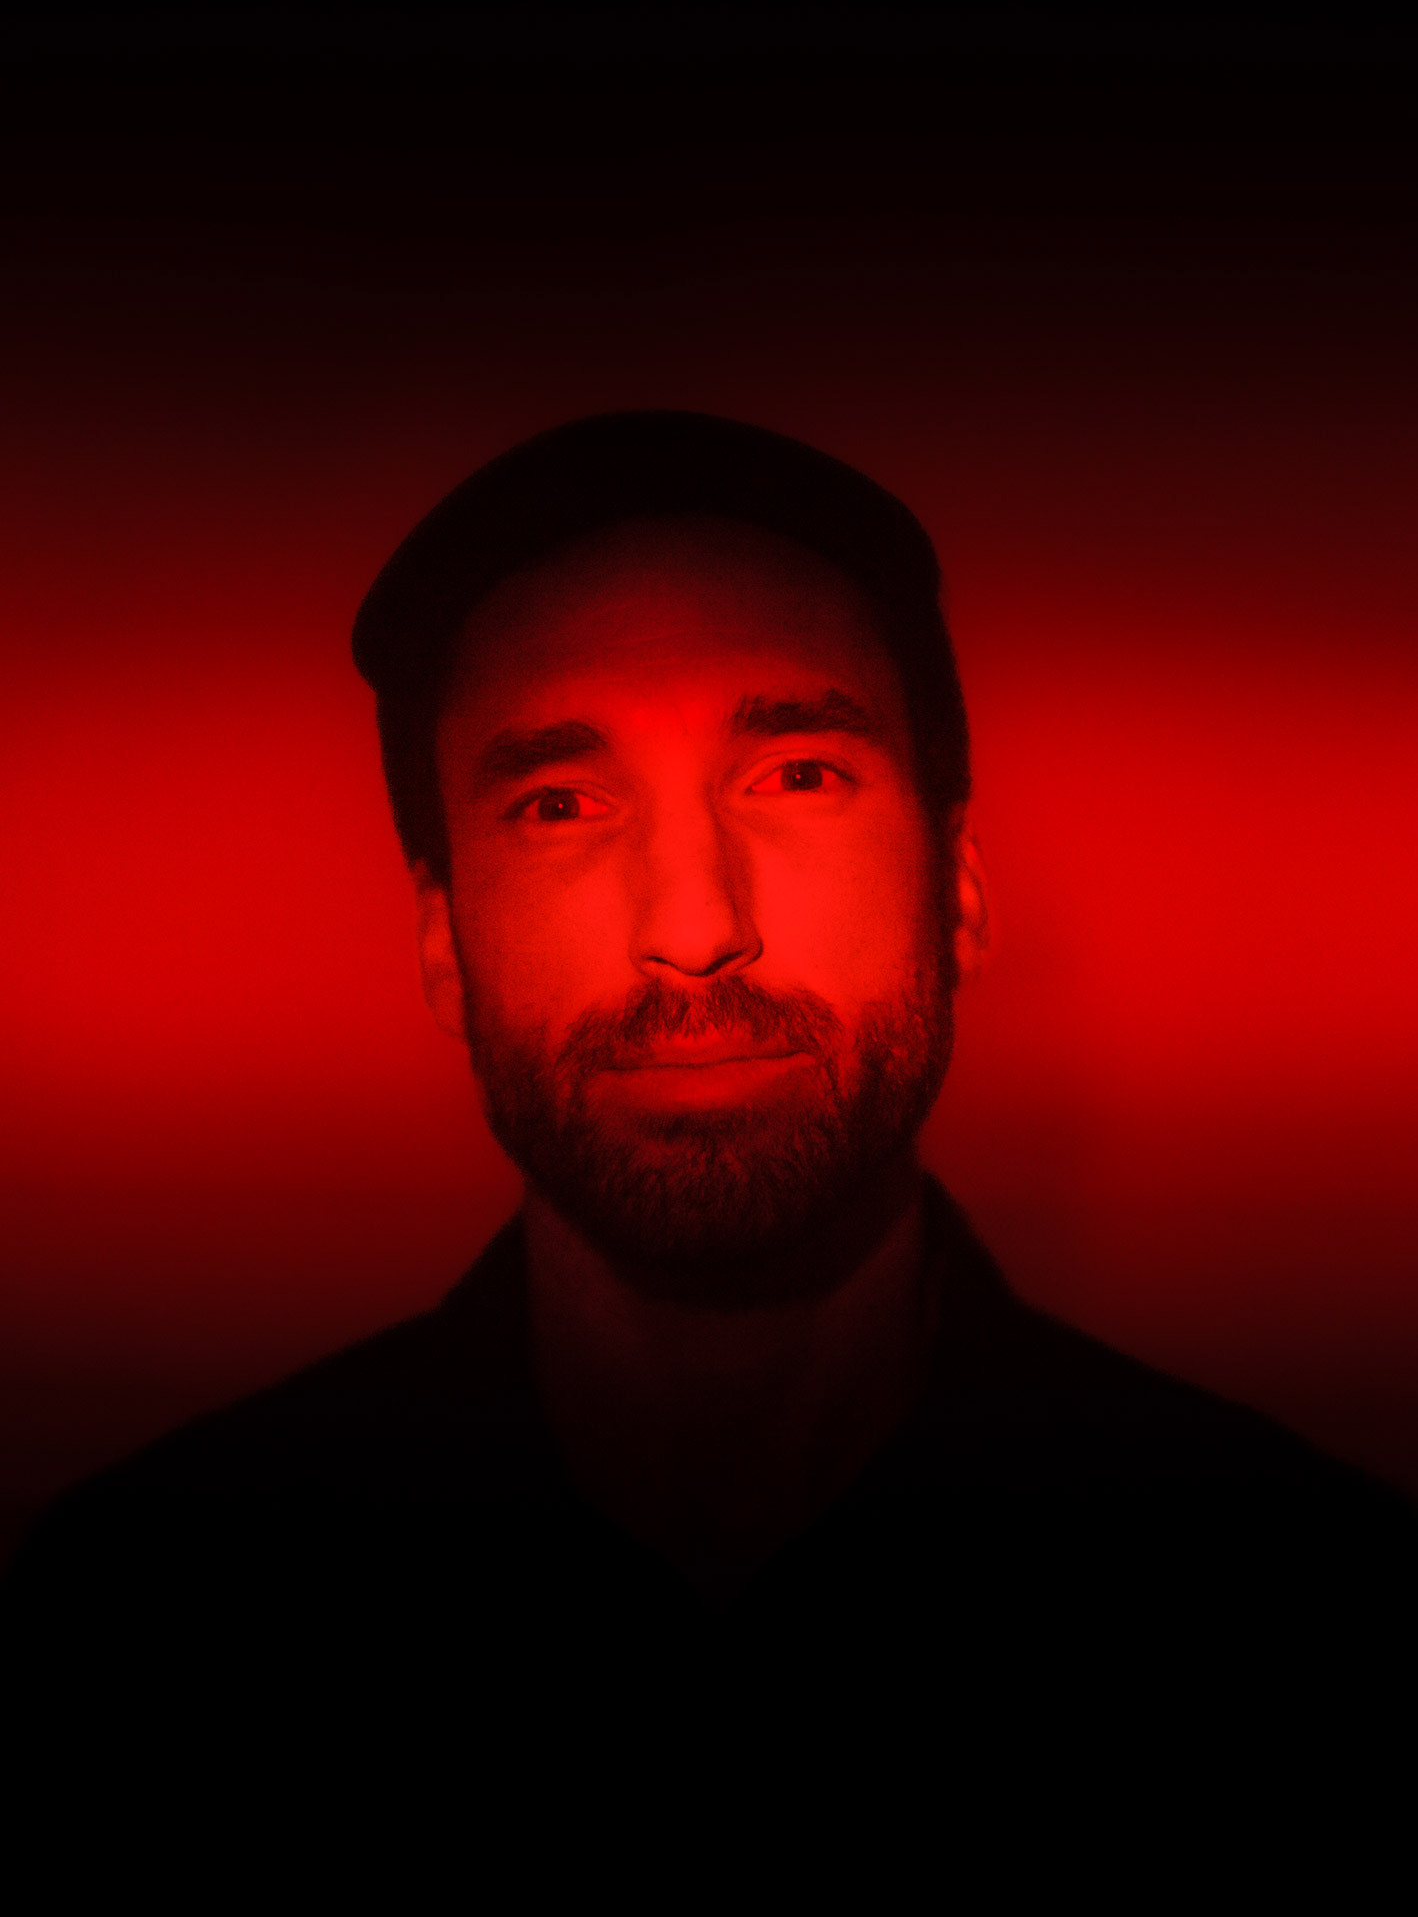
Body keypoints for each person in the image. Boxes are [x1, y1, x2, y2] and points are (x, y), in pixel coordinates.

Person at [4, 412, 1414, 1807]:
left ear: (960, 892)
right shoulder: (129, 1610)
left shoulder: (1329, 1607)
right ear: (441, 946)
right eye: (559, 805)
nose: (693, 931)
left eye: (797, 777)